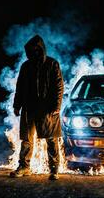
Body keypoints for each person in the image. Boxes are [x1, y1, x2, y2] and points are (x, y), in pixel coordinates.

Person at [10, 35, 64, 180]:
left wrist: (57, 106)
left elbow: (59, 86)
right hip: (29, 108)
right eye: (28, 51)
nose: (30, 54)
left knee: (51, 139)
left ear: (40, 49)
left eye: (33, 51)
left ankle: (54, 169)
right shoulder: (26, 66)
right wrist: (17, 105)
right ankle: (24, 167)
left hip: (47, 109)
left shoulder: (52, 64)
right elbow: (20, 86)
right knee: (27, 139)